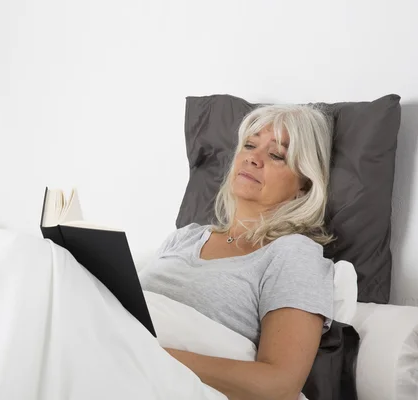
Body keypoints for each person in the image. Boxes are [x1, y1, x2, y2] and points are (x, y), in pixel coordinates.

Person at [139, 104, 335, 400]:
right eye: (249, 145)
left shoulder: (293, 255)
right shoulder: (184, 238)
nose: (253, 159)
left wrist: (145, 355)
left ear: (303, 187)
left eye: (276, 155)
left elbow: (280, 386)